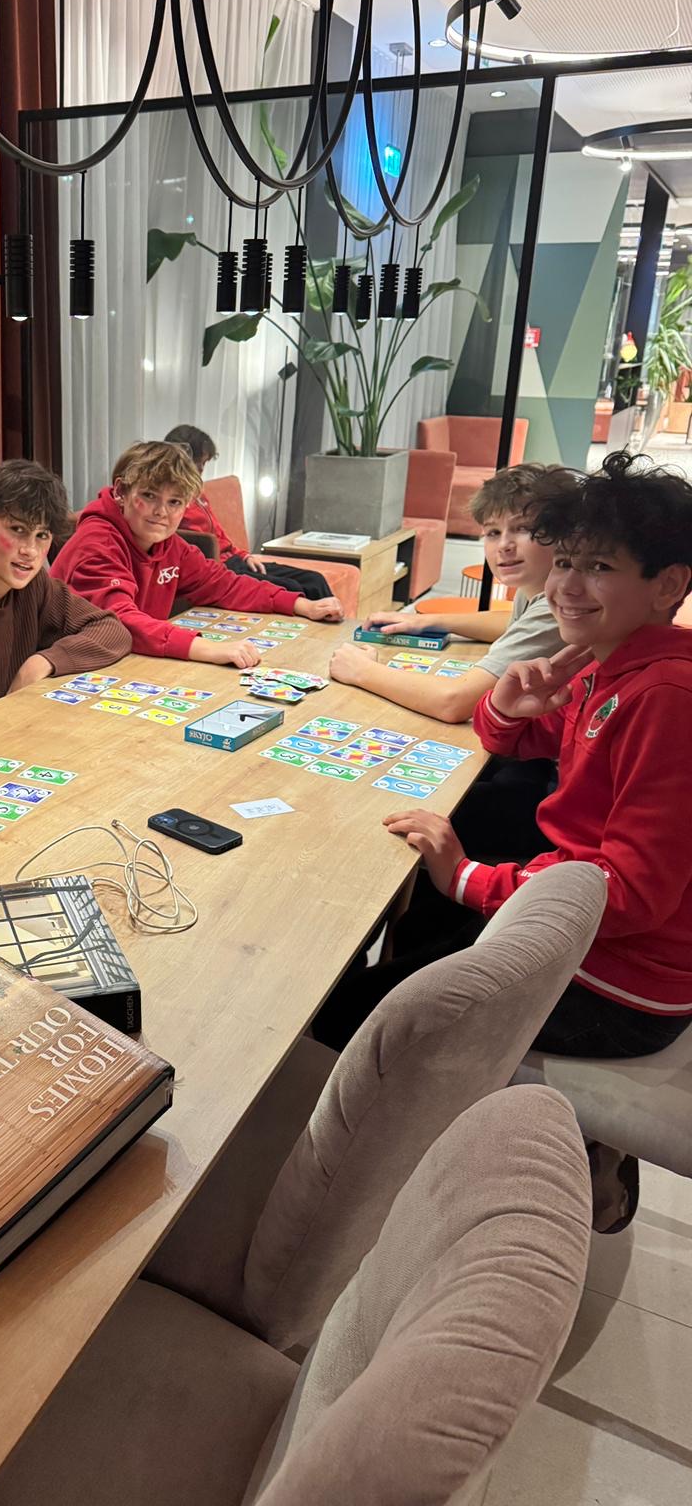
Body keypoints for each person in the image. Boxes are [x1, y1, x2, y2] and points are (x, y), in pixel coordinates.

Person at [313, 452, 692, 1229]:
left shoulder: (665, 695)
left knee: (348, 1015)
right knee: (408, 944)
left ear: (668, 584)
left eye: (600, 567)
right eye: (568, 563)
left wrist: (469, 879)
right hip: (574, 935)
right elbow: (515, 735)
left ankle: (384, 1206)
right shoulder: (611, 663)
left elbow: (626, 893)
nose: (568, 586)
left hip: (617, 984)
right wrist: (512, 707)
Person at [50, 442, 343, 666]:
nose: (161, 511)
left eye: (174, 502)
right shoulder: (97, 542)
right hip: (70, 669)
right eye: (148, 496)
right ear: (121, 492)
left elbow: (224, 584)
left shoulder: (170, 544)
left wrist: (301, 604)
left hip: (127, 663)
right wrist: (209, 649)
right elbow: (118, 622)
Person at [328, 462, 575, 724]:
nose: (504, 545)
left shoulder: (562, 604)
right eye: (493, 532)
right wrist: (426, 621)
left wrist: (362, 670)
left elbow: (454, 702)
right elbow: (516, 625)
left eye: (522, 528)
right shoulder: (539, 584)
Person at [0, 458, 131, 699]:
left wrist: (42, 662)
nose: (30, 550)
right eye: (17, 530)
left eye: (42, 535)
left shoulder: (32, 582)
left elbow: (112, 630)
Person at [164, 423, 334, 601]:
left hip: (234, 561)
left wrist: (244, 555)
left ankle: (337, 618)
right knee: (292, 589)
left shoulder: (198, 494)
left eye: (203, 465)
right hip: (219, 569)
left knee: (314, 580)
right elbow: (194, 547)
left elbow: (219, 534)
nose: (200, 471)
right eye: (198, 464)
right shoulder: (173, 502)